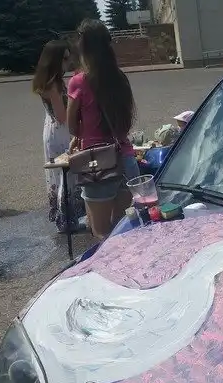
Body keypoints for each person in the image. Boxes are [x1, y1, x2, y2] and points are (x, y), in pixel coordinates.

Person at [67, 19, 139, 239]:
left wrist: (81, 133)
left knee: (102, 233)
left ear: (83, 46)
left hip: (99, 166)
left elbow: (72, 127)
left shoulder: (79, 82)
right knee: (123, 231)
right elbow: (126, 121)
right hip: (126, 162)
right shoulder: (120, 78)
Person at [32, 40, 85, 234]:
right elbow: (62, 116)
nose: (68, 61)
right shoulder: (52, 84)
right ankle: (66, 220)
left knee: (62, 175)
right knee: (65, 176)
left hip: (53, 129)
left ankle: (66, 219)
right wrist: (77, 102)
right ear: (54, 60)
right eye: (64, 58)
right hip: (58, 131)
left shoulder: (50, 81)